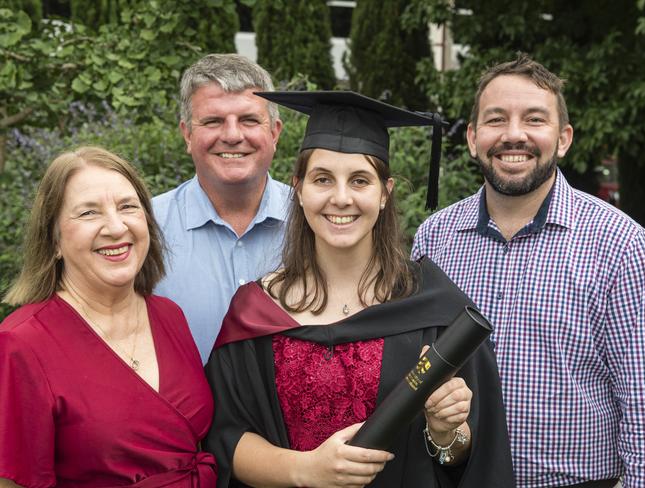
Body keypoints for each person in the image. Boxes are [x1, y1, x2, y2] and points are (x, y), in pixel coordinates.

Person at [204, 91, 514, 487]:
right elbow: (226, 438)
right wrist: (306, 470)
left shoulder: (435, 308)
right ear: (297, 188)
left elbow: (472, 458)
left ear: (384, 193)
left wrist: (445, 432)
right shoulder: (255, 310)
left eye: (360, 180)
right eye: (322, 179)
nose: (341, 198)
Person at [412, 54, 645, 488]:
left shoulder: (620, 245)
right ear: (472, 137)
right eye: (496, 120)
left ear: (563, 139)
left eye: (534, 120)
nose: (514, 135)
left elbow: (643, 400)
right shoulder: (435, 239)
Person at [0, 147, 217, 487]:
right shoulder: (22, 343)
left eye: (128, 207)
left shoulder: (169, 315)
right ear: (53, 238)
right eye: (89, 213)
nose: (116, 227)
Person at [153, 53, 290, 363]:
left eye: (249, 120)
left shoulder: (314, 222)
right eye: (213, 121)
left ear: (275, 132)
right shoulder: (144, 227)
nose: (232, 135)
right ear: (187, 134)